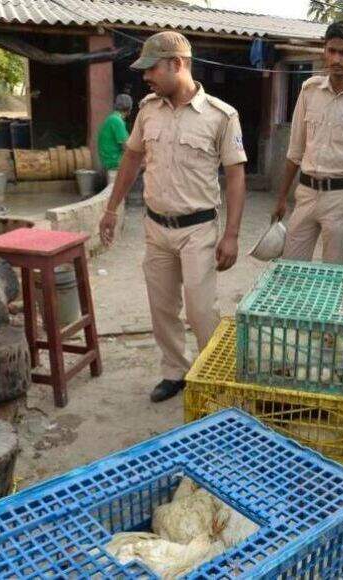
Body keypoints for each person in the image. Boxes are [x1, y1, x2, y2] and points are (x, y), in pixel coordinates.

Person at [98, 31, 247, 403]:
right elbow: (131, 158)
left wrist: (231, 234)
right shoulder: (148, 110)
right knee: (162, 308)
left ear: (177, 64)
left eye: (152, 69)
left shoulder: (221, 116)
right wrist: (111, 208)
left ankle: (212, 375)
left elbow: (236, 175)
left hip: (198, 230)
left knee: (200, 310)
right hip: (156, 227)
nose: (145, 77)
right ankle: (175, 372)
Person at [271, 20, 343, 264]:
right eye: (331, 51)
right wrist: (281, 197)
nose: (336, 59)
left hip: (340, 199)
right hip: (305, 194)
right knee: (292, 268)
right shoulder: (309, 90)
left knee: (332, 274)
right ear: (324, 51)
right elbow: (295, 150)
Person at [97, 93, 134, 187]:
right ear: (129, 109)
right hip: (114, 162)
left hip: (109, 160)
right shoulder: (117, 121)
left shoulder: (111, 118)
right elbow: (126, 147)